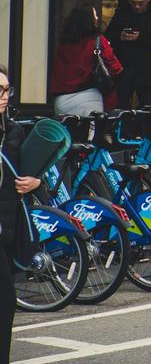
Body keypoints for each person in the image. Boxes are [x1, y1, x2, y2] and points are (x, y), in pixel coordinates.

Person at [0, 64, 38, 363]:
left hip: (7, 226)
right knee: (6, 301)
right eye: (0, 90)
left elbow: (31, 169)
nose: (5, 96)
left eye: (7, 89)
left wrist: (34, 182)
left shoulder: (14, 129)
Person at [50, 4, 123, 117]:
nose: (97, 18)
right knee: (90, 133)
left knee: (67, 134)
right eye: (95, 15)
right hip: (89, 98)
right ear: (89, 20)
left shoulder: (64, 43)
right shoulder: (97, 41)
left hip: (61, 101)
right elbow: (115, 67)